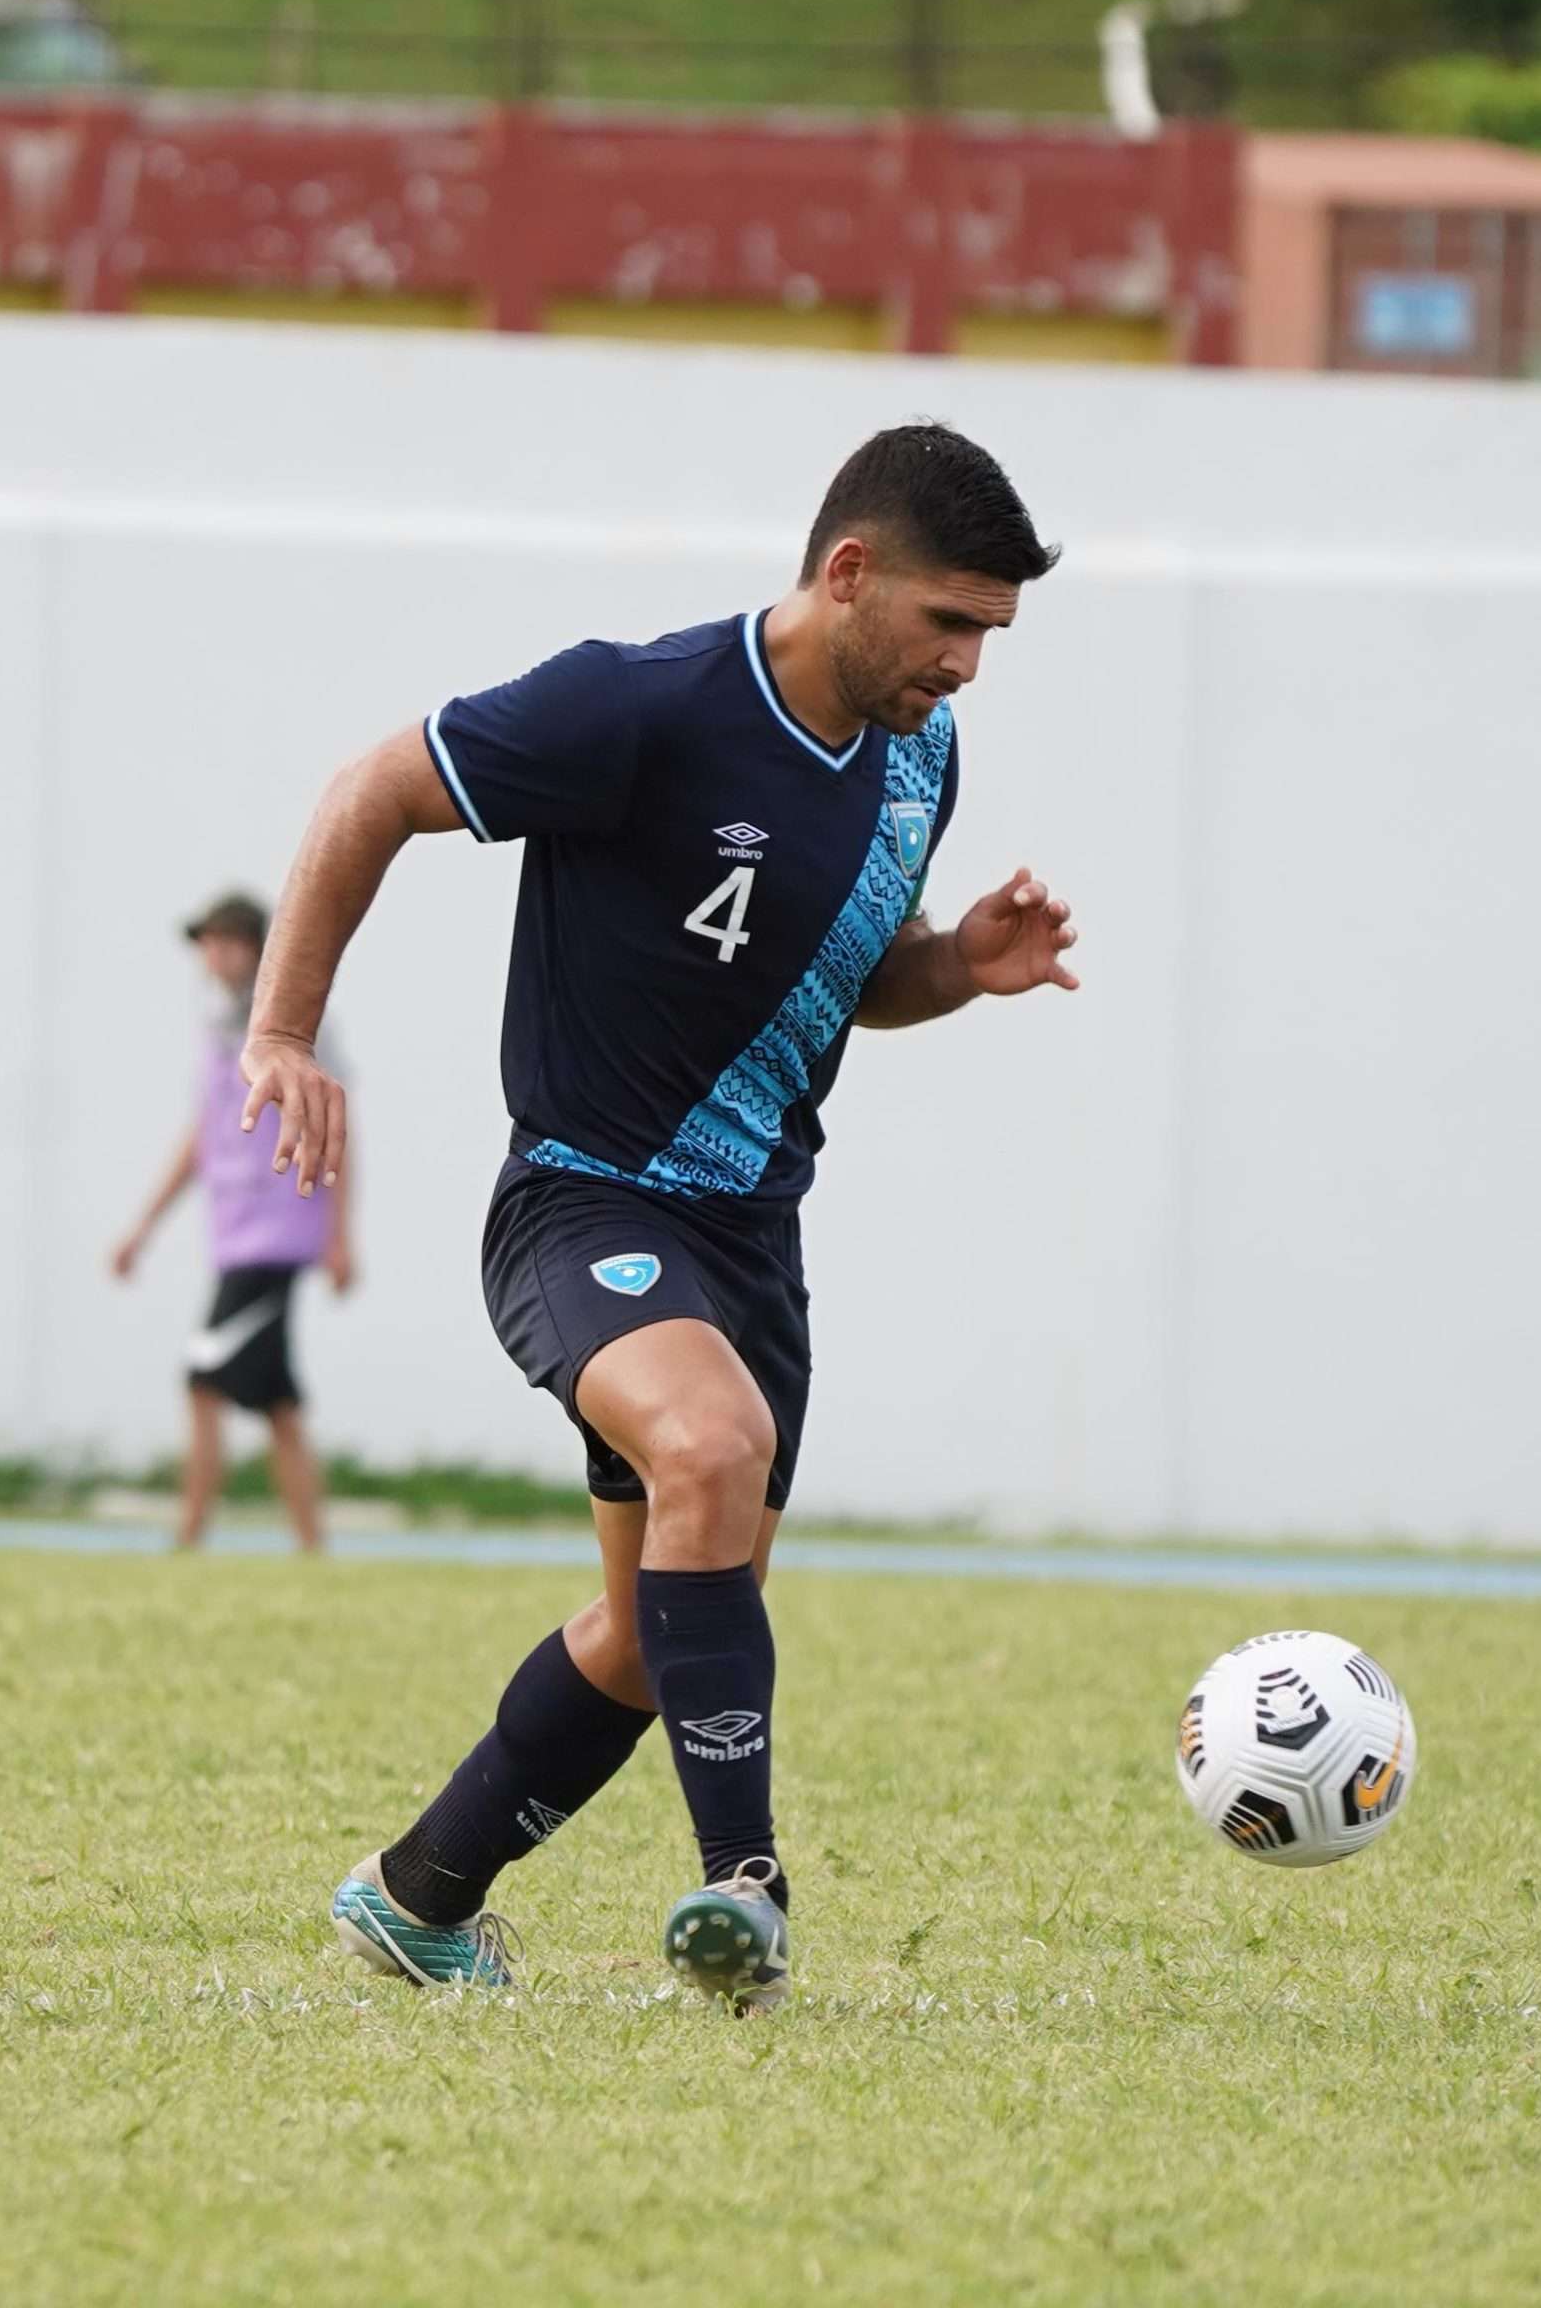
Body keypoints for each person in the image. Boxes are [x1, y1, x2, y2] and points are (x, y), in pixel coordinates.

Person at [232, 422, 1079, 2011]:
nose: (967, 666)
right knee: (708, 1451)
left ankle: (421, 1899)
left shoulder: (917, 756)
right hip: (584, 1201)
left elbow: (835, 978)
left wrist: (958, 964)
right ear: (848, 574)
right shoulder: (639, 704)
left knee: (655, 1626)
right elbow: (373, 790)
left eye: (990, 636)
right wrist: (278, 1035)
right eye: (952, 623)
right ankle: (743, 1898)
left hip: (756, 1243)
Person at [109, 891, 351, 1554]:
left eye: (225, 941)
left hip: (275, 1236)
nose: (212, 955)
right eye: (206, 943)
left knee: (205, 1381)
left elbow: (334, 1119)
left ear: (254, 948)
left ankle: (191, 1537)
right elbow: (204, 1141)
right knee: (275, 1404)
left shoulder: (292, 1027)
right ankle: (310, 1546)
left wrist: (338, 1234)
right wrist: (144, 1229)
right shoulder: (217, 1030)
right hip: (235, 1236)